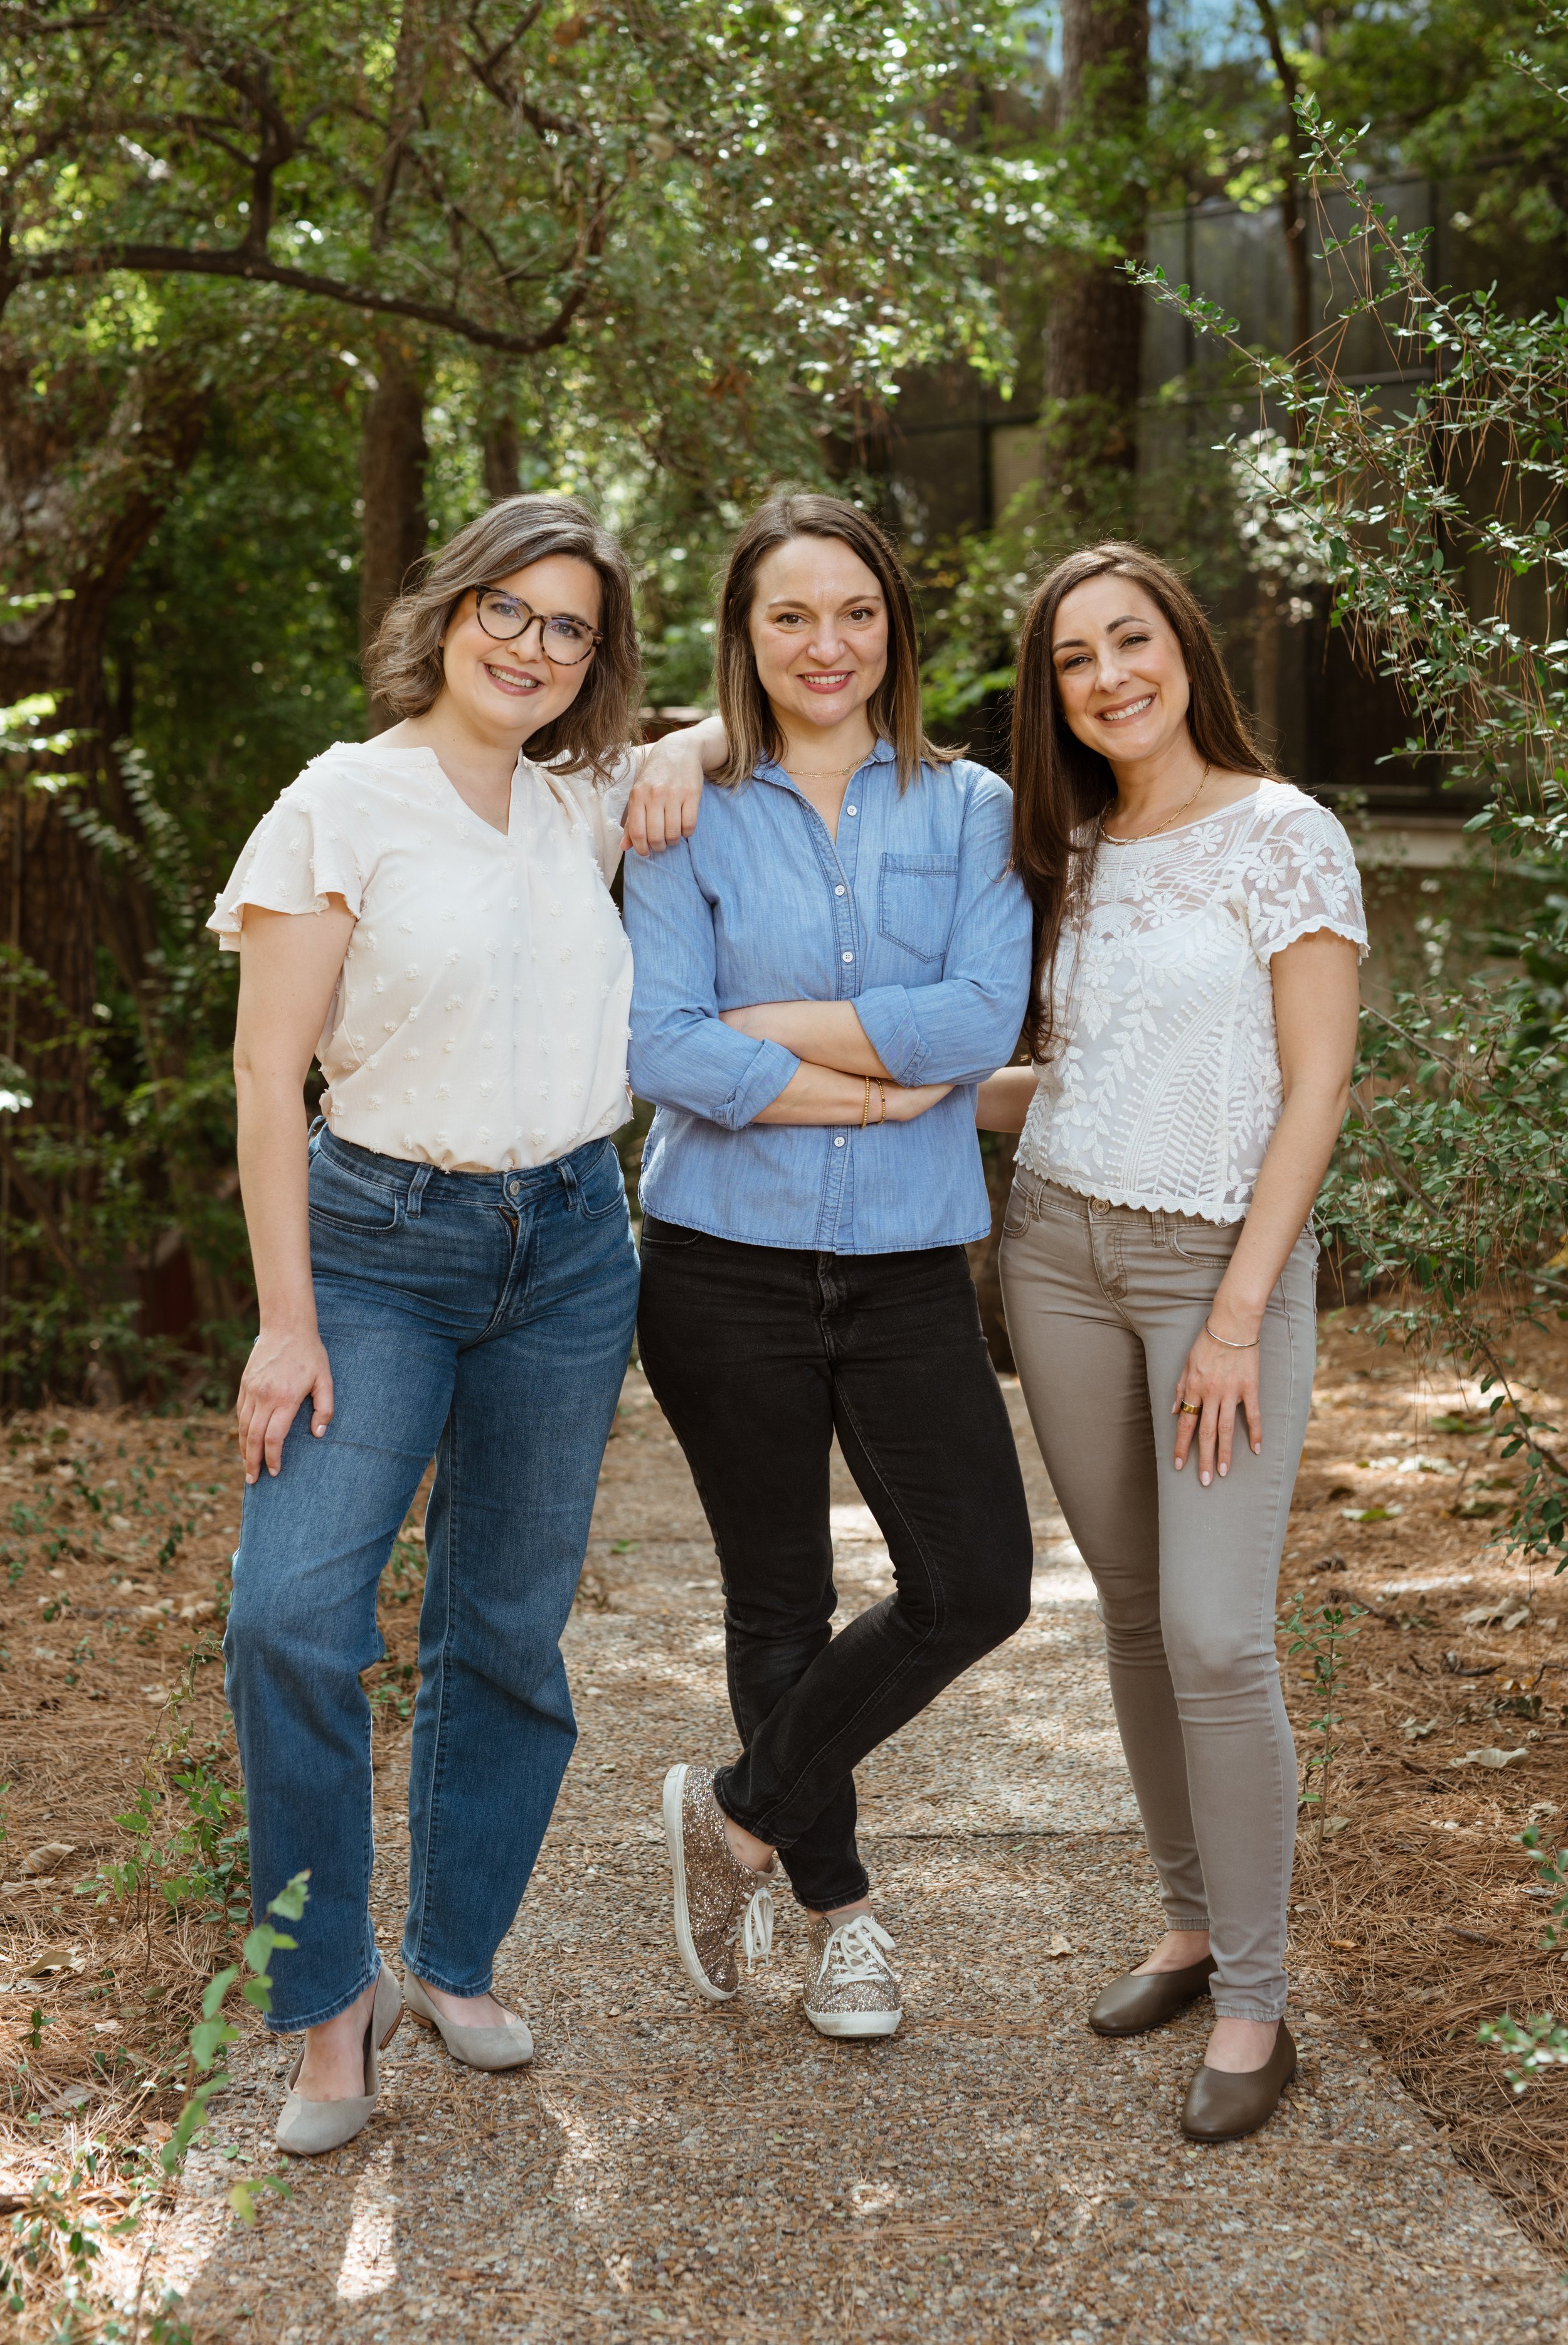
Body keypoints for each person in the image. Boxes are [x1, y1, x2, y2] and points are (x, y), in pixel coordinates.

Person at [211, 493, 721, 2154]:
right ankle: (325, 2002)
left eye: (569, 628)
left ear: (595, 664)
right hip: (374, 1245)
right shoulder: (339, 803)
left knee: (503, 1624)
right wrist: (288, 1322)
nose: (530, 646)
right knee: (291, 1611)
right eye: (507, 608)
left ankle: (451, 1955)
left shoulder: (583, 803)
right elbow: (264, 1071)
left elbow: (786, 705)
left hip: (570, 1247)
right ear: (449, 612)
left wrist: (691, 740)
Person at [624, 492, 1036, 2042]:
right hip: (721, 1264)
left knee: (974, 1581)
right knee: (778, 1597)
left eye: (853, 613)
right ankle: (838, 1917)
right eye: (789, 615)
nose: (825, 644)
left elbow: (972, 1025)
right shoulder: (682, 808)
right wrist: (865, 1076)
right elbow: (656, 1043)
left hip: (906, 1265)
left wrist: (766, 1035)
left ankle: (733, 1815)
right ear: (743, 636)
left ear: (893, 632)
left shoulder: (969, 806)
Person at [979, 542, 1365, 2142]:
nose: (1105, 678)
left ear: (1182, 650)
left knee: (1217, 1633)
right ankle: (1192, 1926)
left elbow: (1314, 1090)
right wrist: (895, 1096)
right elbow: (1060, 1077)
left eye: (1126, 642)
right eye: (1072, 660)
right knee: (1133, 1617)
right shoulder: (1064, 846)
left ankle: (1260, 2006)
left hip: (1222, 1267)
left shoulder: (1286, 837)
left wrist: (1228, 1319)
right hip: (1055, 1249)